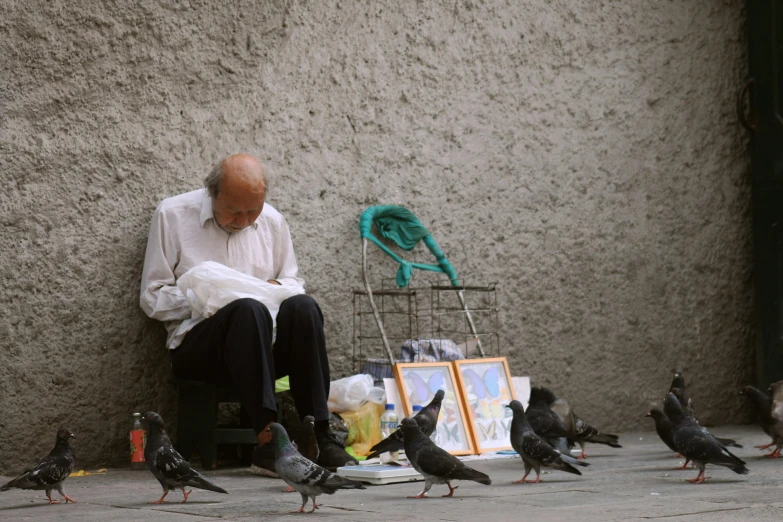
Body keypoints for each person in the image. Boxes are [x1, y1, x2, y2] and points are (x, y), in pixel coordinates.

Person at [139, 153, 357, 476]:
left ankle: (320, 435)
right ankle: (268, 443)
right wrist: (209, 295)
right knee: (246, 309)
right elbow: (151, 297)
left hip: (262, 351)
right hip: (199, 348)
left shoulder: (271, 221)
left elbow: (292, 281)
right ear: (212, 193)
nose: (243, 220)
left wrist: (269, 288)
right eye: (233, 211)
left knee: (303, 308)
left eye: (251, 211)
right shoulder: (172, 215)